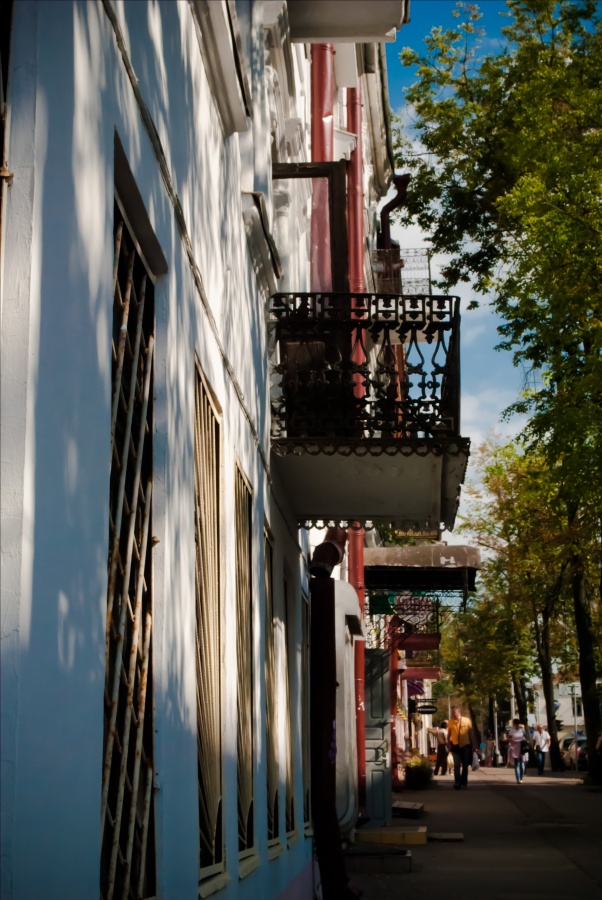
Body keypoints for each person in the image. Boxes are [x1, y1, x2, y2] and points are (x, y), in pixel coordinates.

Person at [447, 706, 477, 790]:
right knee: (456, 765)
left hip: (465, 746)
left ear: (459, 711)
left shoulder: (467, 720)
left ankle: (464, 782)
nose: (453, 714)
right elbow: (449, 735)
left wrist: (473, 745)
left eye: (454, 712)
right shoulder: (450, 722)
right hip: (455, 746)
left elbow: (471, 733)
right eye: (452, 713)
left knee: (465, 765)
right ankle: (457, 782)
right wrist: (448, 744)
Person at [508, 718, 528, 783]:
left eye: (517, 724)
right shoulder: (511, 731)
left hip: (522, 748)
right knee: (517, 764)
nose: (516, 725)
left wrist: (524, 740)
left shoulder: (522, 730)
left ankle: (521, 777)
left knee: (522, 765)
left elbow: (526, 737)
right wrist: (513, 740)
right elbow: (509, 739)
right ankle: (518, 779)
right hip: (515, 749)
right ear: (514, 724)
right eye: (515, 724)